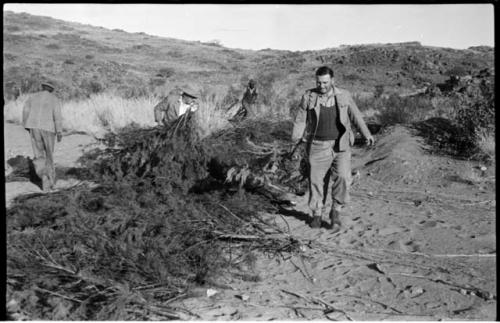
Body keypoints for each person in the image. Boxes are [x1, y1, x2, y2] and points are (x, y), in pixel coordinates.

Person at [291, 66, 375, 230]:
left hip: (340, 145)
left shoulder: (344, 95)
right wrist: (295, 141)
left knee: (343, 178)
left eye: (325, 82)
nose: (321, 86)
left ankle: (335, 211)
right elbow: (300, 120)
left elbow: (355, 115)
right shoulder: (308, 96)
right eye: (318, 82)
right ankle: (317, 214)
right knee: (316, 181)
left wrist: (366, 133)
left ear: (332, 81)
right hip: (317, 146)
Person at [22, 81, 63, 191]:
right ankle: (51, 180)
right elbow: (57, 116)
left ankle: (43, 176)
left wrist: (26, 125)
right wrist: (59, 131)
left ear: (43, 87)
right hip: (49, 128)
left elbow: (25, 111)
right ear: (51, 89)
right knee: (49, 154)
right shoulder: (54, 99)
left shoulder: (33, 97)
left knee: (38, 154)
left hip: (34, 127)